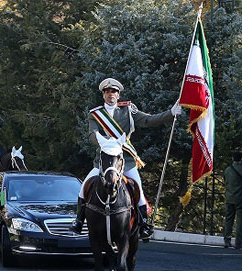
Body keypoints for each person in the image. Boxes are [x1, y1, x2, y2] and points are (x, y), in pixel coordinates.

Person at [70, 77, 182, 240]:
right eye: (107, 92)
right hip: (104, 161)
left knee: (140, 193)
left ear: (118, 94)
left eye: (114, 92)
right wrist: (103, 142)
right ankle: (79, 221)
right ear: (103, 95)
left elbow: (148, 120)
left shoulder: (128, 110)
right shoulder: (95, 114)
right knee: (84, 188)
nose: (111, 95)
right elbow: (91, 134)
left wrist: (171, 113)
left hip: (126, 162)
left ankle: (143, 225)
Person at [223, 151, 242, 249]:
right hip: (240, 199)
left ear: (233, 158)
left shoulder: (227, 170)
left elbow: (226, 182)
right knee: (240, 221)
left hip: (229, 197)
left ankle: (227, 240)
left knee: (229, 219)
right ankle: (238, 243)